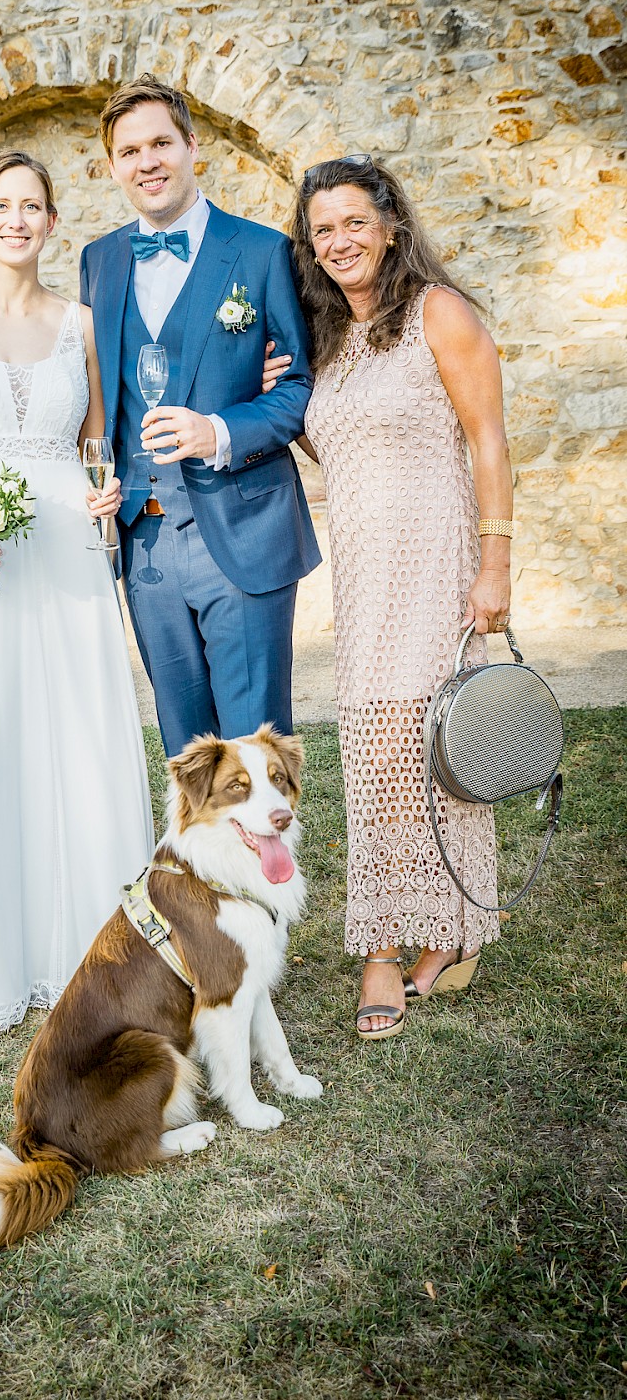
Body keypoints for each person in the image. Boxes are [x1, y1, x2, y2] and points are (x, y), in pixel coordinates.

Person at [0, 150, 154, 1037]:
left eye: (33, 206)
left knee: (82, 736)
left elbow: (99, 443)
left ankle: (98, 955)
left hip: (68, 548)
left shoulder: (83, 322)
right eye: (2, 205)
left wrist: (106, 492)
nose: (17, 219)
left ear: (53, 223)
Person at [288, 153, 512, 1041]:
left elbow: (489, 442)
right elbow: (336, 446)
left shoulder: (438, 313)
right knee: (378, 748)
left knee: (440, 745)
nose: (339, 240)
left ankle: (416, 940)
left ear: (390, 225)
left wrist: (495, 566)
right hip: (364, 570)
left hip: (436, 558)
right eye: (323, 229)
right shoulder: (329, 339)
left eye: (353, 221)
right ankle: (429, 928)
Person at [80, 74, 320, 759]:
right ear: (112, 166)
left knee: (253, 750)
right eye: (130, 151)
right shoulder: (98, 261)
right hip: (146, 541)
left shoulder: (261, 251)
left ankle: (265, 870)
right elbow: (95, 392)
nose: (147, 162)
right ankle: (201, 870)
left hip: (243, 530)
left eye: (161, 143)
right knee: (187, 752)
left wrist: (217, 431)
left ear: (192, 147)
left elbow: (297, 387)